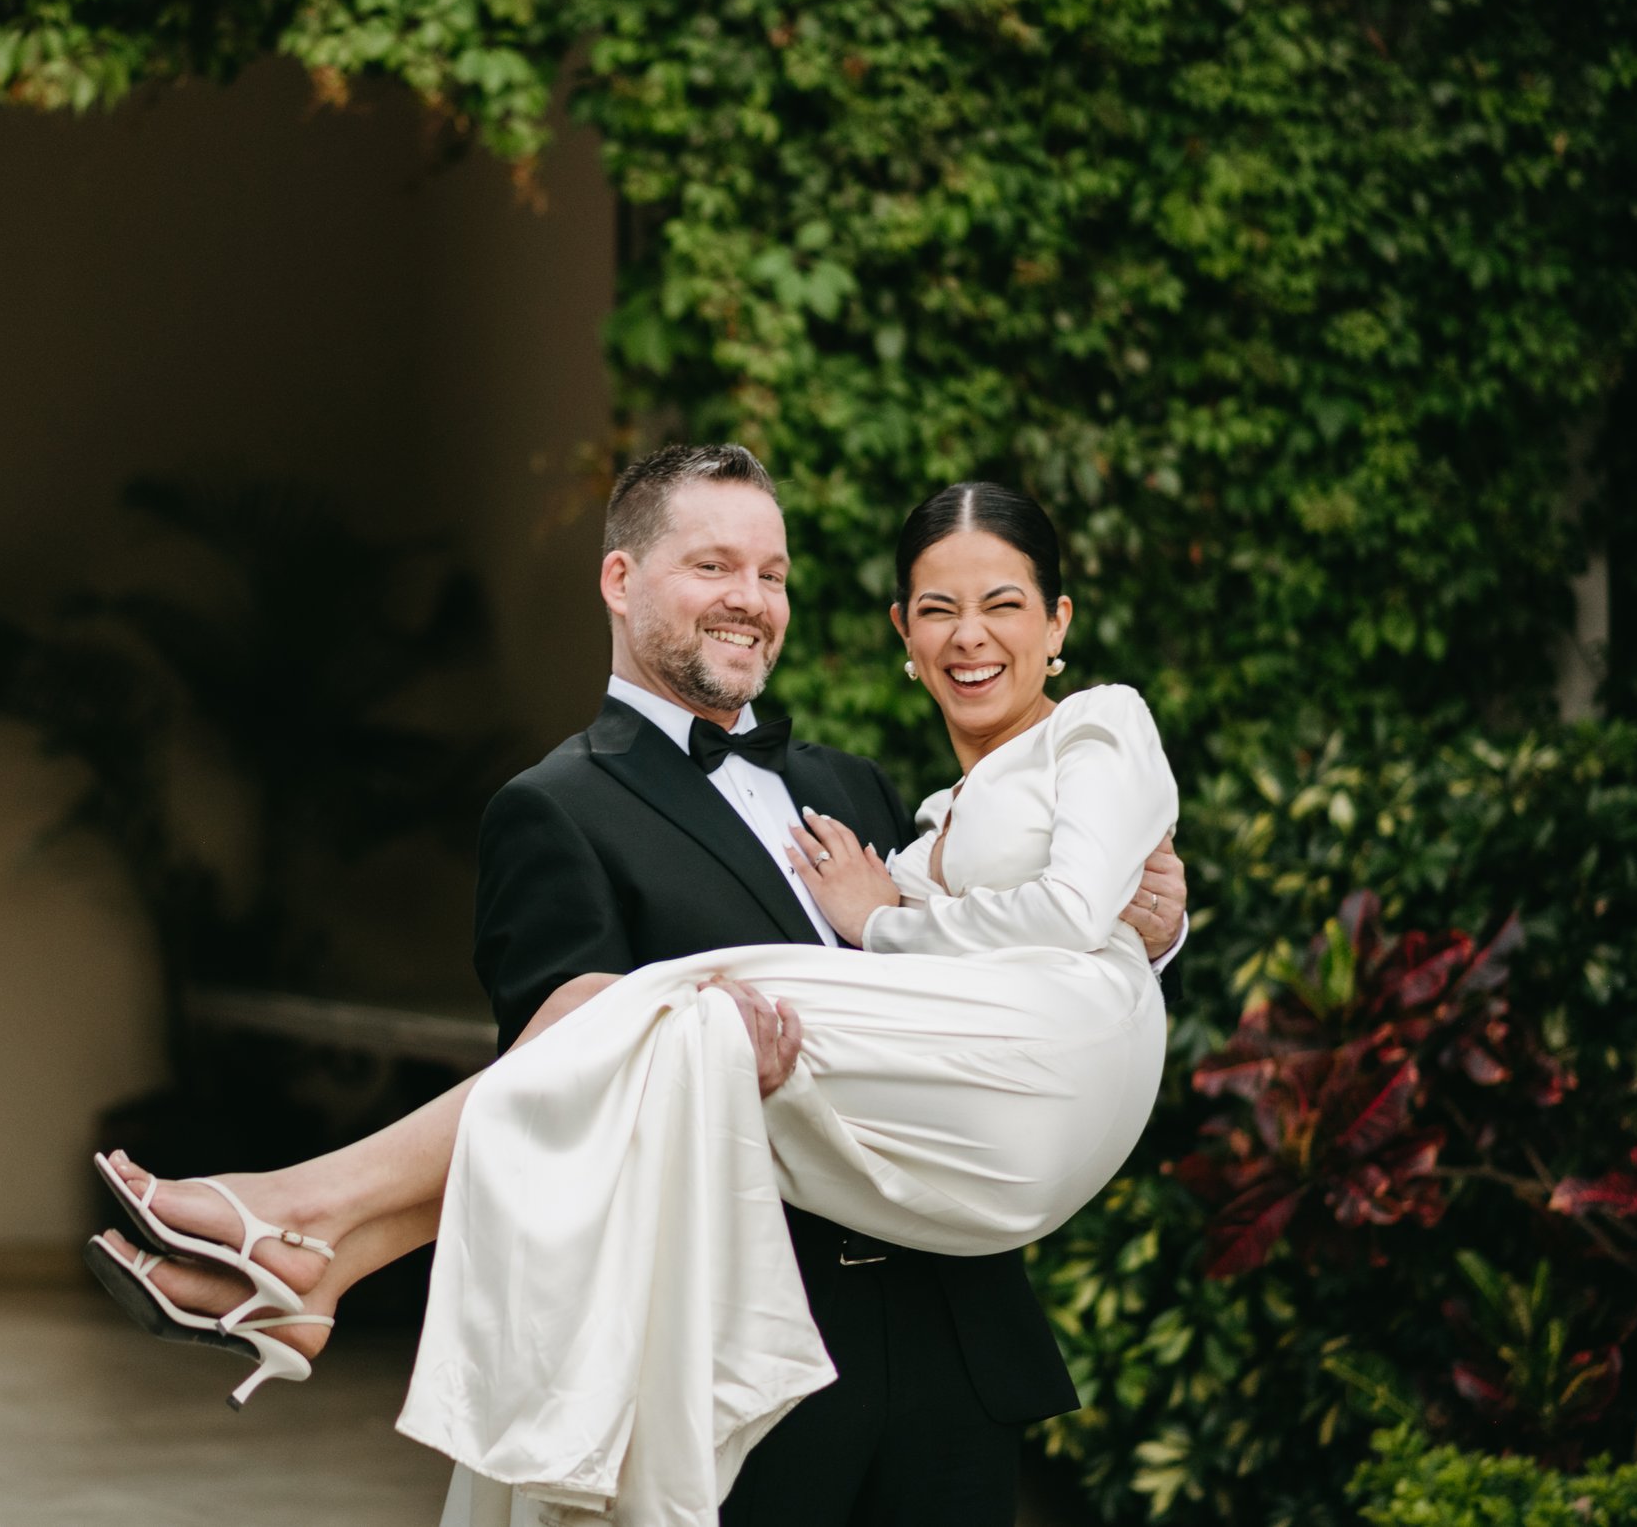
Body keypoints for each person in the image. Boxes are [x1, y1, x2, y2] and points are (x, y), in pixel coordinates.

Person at [85, 452, 1187, 1527]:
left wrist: (1149, 924)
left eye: (771, 572)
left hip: (950, 1348)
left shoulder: (854, 787)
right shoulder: (553, 807)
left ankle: (307, 1234)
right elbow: (551, 1079)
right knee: (640, 1028)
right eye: (713, 566)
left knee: (661, 1019)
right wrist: (719, 1060)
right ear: (621, 580)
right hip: (747, 1364)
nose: (749, 600)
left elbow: (972, 985)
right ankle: (309, 1227)